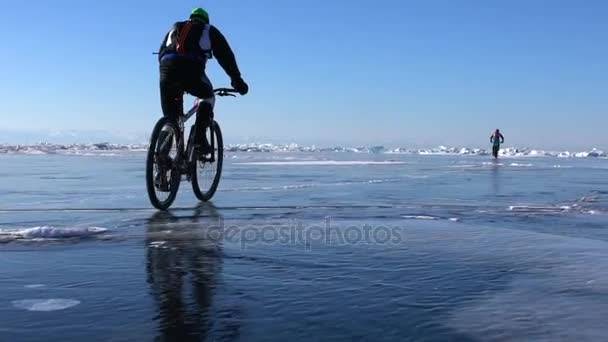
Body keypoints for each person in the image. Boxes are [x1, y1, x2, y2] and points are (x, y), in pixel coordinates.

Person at [158, 7, 248, 159]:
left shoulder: (174, 29)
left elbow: (161, 54)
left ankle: (160, 160)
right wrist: (237, 80)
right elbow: (226, 56)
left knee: (171, 118)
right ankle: (199, 139)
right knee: (208, 96)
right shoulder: (209, 30)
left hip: (167, 71)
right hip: (191, 71)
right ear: (205, 20)